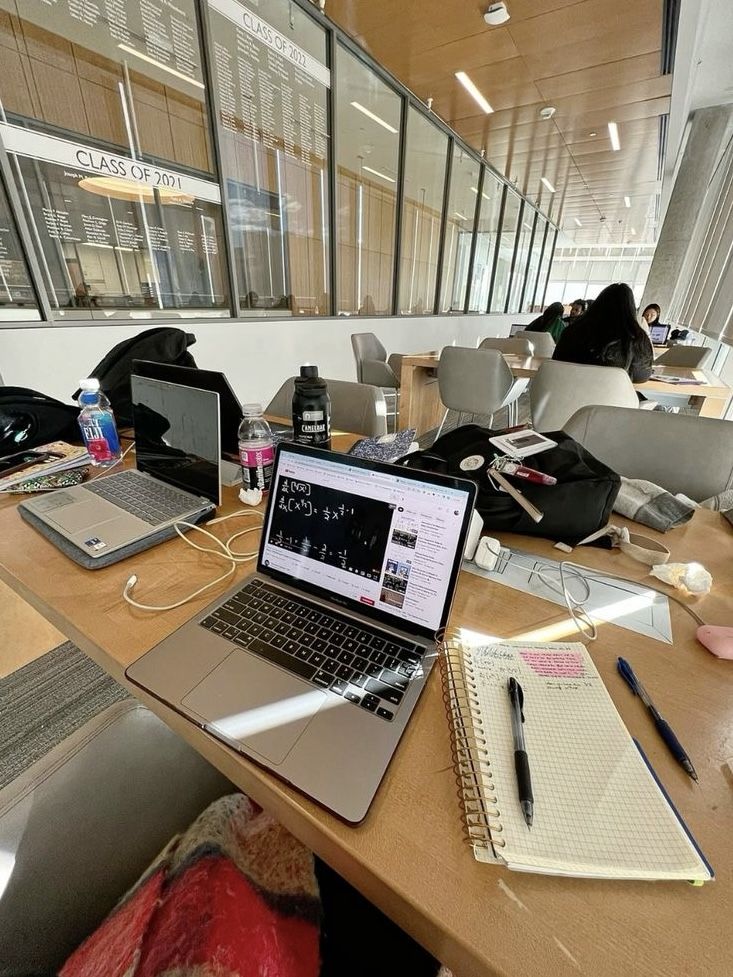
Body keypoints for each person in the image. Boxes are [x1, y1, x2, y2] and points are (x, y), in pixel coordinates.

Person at [552, 282, 653, 382]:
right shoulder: (637, 339)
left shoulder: (572, 332)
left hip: (566, 394)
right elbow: (642, 376)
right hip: (614, 396)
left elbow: (556, 364)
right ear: (631, 309)